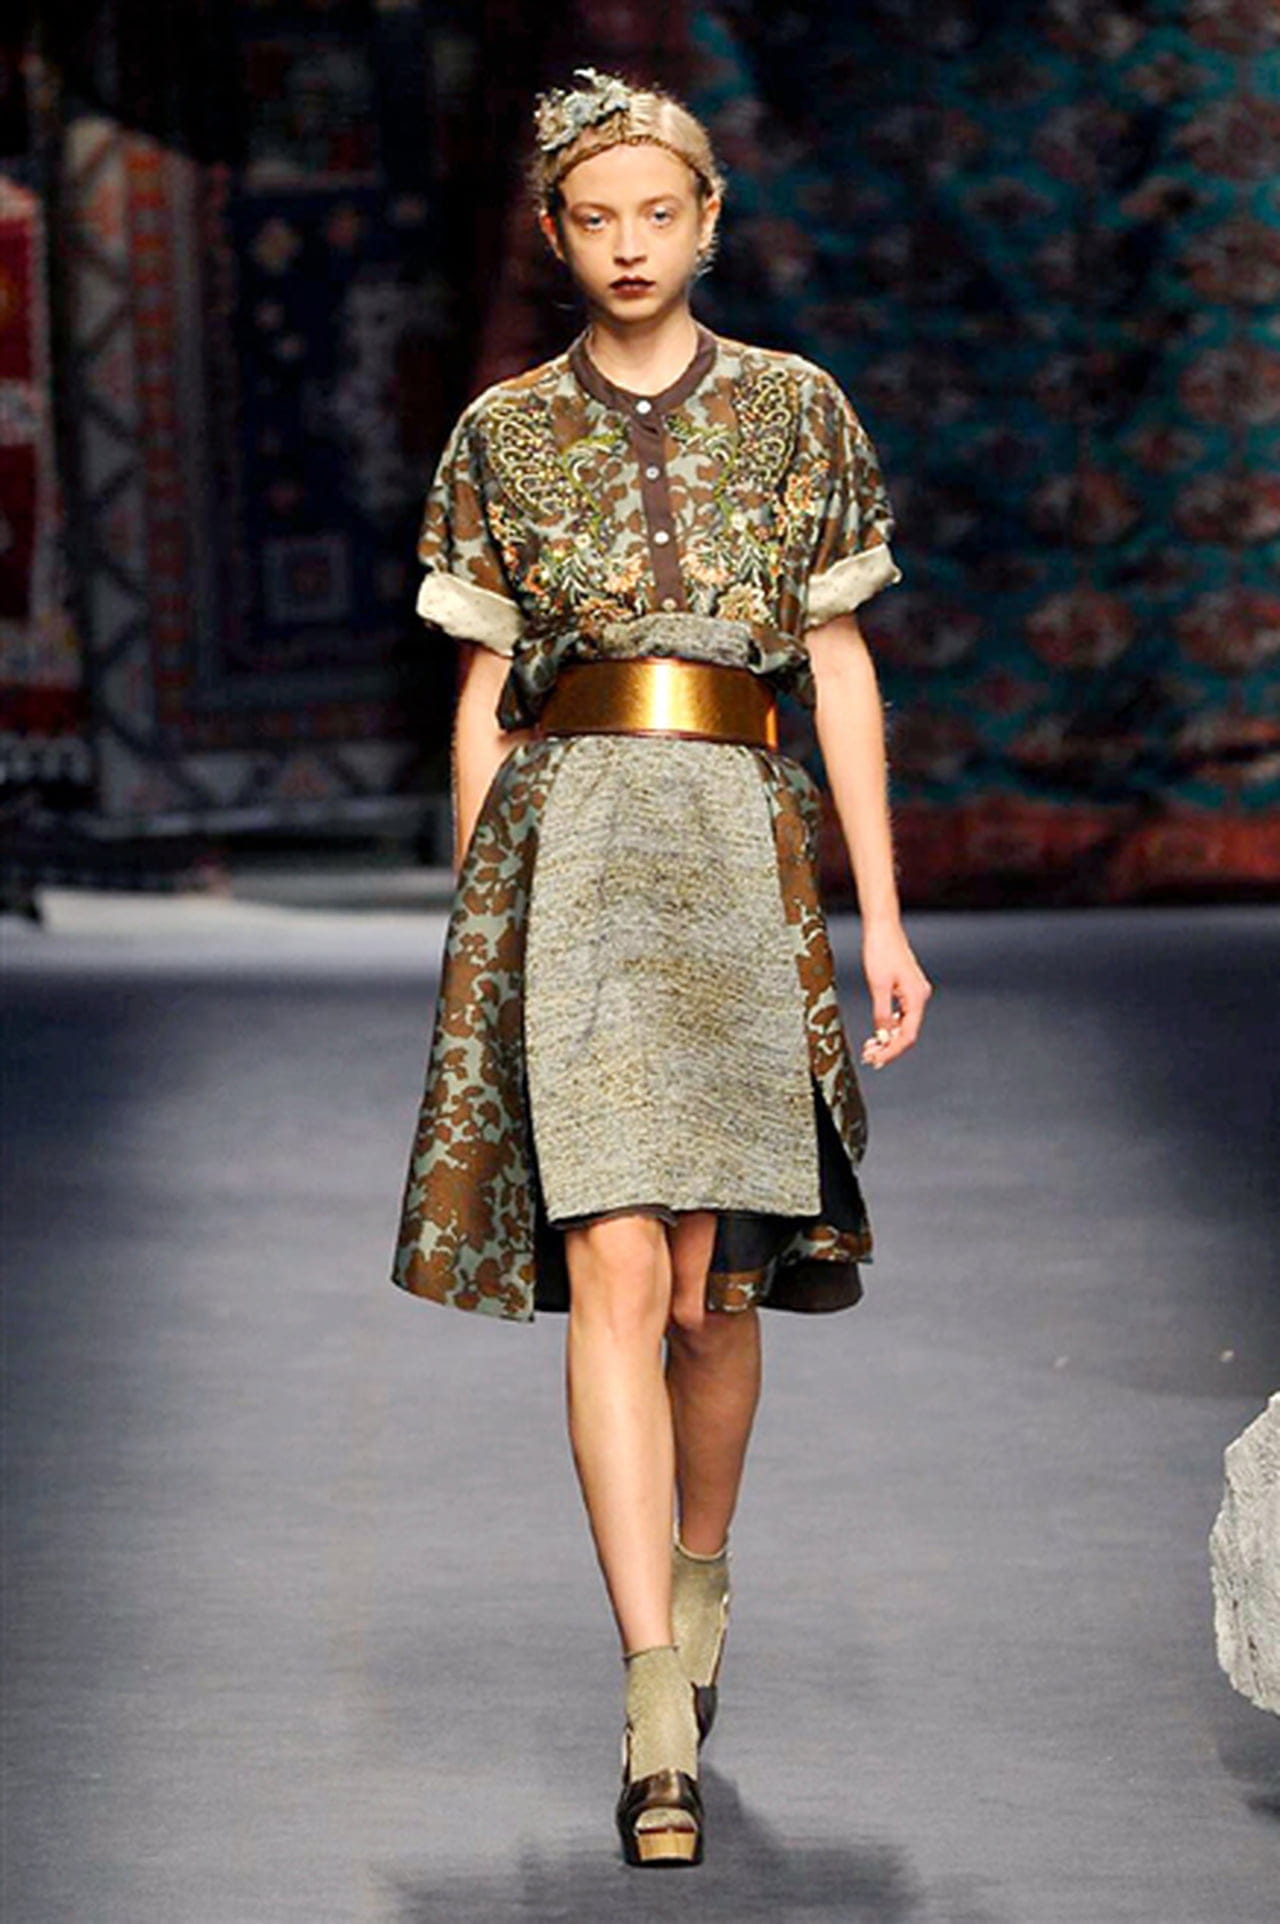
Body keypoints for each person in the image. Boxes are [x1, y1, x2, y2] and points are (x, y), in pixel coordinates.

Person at [391, 67, 932, 1869]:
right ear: (556, 237)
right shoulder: (503, 433)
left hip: (738, 857)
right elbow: (487, 698)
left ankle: (702, 1570)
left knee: (715, 1292)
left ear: (708, 223)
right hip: (575, 865)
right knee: (614, 1263)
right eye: (594, 218)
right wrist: (483, 931)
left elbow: (835, 665)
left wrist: (882, 916)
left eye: (658, 213)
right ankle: (649, 1699)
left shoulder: (796, 411)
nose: (629, 245)